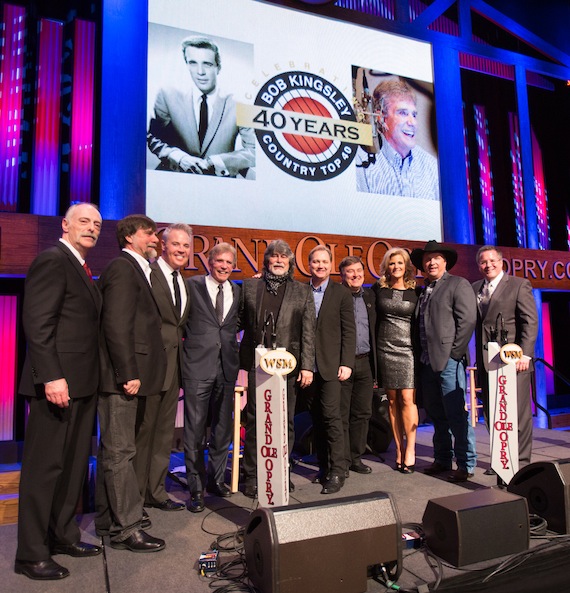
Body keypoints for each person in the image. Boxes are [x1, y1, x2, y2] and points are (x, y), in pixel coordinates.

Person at [15, 203, 103, 581]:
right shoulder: (52, 260)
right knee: (44, 469)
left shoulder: (82, 268)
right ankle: (31, 553)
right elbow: (38, 323)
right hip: (57, 385)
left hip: (83, 386)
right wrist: (51, 377)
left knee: (70, 468)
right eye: (84, 221)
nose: (92, 228)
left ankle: (63, 535)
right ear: (65, 225)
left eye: (97, 224)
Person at [95, 215, 167, 552]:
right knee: (120, 452)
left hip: (128, 377)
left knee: (116, 451)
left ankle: (111, 520)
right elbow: (115, 324)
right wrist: (127, 373)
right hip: (121, 379)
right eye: (148, 233)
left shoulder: (137, 268)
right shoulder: (123, 268)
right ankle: (128, 528)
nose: (155, 238)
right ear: (129, 237)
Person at [238, 240, 316, 499]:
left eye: (284, 256)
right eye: (275, 256)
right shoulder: (250, 286)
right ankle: (252, 475)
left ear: (290, 262)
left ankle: (281, 472)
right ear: (267, 260)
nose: (279, 260)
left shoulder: (302, 291)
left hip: (288, 366)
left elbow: (308, 333)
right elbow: (238, 323)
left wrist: (307, 366)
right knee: (254, 420)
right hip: (256, 364)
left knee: (285, 422)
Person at [133, 223, 192, 513]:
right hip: (150, 369)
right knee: (143, 437)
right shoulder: (148, 274)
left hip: (174, 370)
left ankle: (155, 493)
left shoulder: (184, 280)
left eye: (186, 246)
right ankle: (134, 500)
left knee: (163, 436)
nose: (181, 250)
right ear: (163, 246)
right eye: (176, 244)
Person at [411, 240, 477, 482]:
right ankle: (442, 459)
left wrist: (455, 353)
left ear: (445, 261)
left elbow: (468, 320)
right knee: (437, 415)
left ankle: (466, 464)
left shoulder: (458, 284)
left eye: (436, 257)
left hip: (449, 361)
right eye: (427, 259)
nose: (431, 262)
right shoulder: (424, 290)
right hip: (426, 361)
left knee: (456, 414)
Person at [182, 243, 241, 513]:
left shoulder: (237, 291)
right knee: (194, 429)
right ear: (209, 261)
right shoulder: (191, 285)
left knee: (222, 429)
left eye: (229, 262)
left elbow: (234, 325)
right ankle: (196, 487)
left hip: (227, 367)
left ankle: (216, 480)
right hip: (197, 366)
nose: (224, 266)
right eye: (220, 261)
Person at [147, 36, 255, 178]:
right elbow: (153, 137)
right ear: (186, 64)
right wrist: (178, 157)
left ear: (218, 67)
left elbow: (255, 151)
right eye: (193, 63)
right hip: (172, 182)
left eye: (207, 64)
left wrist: (217, 162)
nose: (200, 72)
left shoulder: (242, 103)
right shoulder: (167, 95)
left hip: (220, 187)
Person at [472, 245, 538, 467]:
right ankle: (502, 462)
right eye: (483, 262)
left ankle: (521, 465)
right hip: (488, 362)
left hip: (514, 361)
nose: (488, 265)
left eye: (492, 261)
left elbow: (530, 321)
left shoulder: (519, 285)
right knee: (493, 415)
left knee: (517, 416)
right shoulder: (475, 288)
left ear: (501, 262)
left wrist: (526, 355)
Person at [306, 246, 356, 494]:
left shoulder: (341, 293)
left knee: (332, 418)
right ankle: (324, 467)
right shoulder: (302, 290)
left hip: (332, 367)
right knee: (316, 419)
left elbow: (349, 331)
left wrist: (347, 362)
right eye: (316, 261)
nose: (320, 266)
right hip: (307, 369)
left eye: (325, 261)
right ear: (309, 264)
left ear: (331, 264)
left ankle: (338, 471)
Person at [374, 247, 419, 474]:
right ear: (386, 267)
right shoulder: (378, 290)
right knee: (392, 401)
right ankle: (399, 450)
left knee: (407, 398)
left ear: (406, 266)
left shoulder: (415, 292)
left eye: (400, 263)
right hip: (385, 349)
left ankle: (410, 449)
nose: (396, 267)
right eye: (392, 264)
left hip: (408, 351)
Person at [355, 78, 439, 201]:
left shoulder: (432, 166)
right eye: (403, 113)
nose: (413, 122)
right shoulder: (361, 163)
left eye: (414, 115)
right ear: (381, 118)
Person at [338, 256, 377, 476]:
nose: (355, 275)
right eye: (350, 272)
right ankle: (341, 460)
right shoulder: (335, 296)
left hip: (365, 362)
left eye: (358, 271)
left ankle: (355, 457)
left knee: (362, 413)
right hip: (343, 364)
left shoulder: (370, 295)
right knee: (341, 414)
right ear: (342, 275)